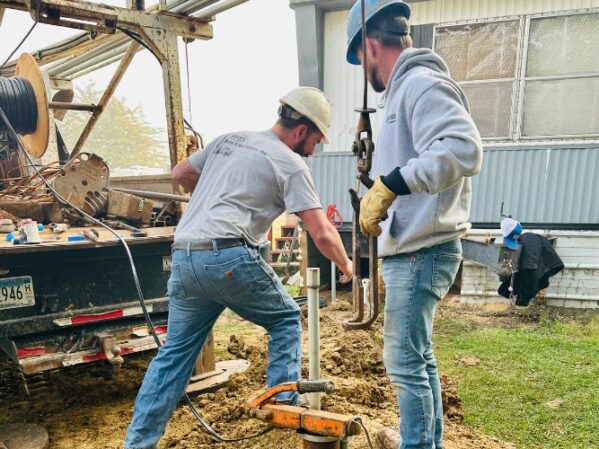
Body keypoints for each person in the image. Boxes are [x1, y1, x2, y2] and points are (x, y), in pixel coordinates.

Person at [123, 86, 353, 449]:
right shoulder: (291, 164)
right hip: (229, 257)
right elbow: (321, 230)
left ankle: (137, 444)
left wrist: (219, 191)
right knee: (285, 318)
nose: (313, 150)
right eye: (316, 141)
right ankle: (281, 405)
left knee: (172, 358)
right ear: (301, 130)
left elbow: (181, 172)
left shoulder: (230, 140)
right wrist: (347, 264)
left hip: (184, 257)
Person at [345, 1, 483, 448]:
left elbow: (463, 150)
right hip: (419, 248)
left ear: (370, 45)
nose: (365, 70)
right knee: (417, 360)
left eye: (361, 60)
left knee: (404, 361)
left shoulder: (419, 84)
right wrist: (383, 180)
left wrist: (391, 184)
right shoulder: (405, 93)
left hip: (421, 251)